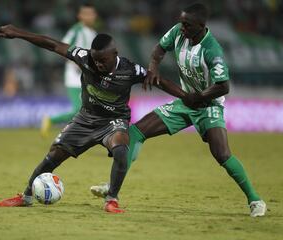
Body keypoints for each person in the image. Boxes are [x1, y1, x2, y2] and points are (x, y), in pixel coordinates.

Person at [90, 3, 267, 217]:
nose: (181, 27)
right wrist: (153, 69)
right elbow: (157, 51)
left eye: (187, 24)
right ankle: (113, 186)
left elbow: (223, 86)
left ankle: (255, 200)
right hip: (185, 102)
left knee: (221, 154)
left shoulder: (212, 50)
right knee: (136, 132)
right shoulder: (177, 32)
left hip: (208, 105)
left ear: (201, 26)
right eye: (181, 22)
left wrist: (199, 97)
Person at [0, 24, 149, 213]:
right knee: (54, 155)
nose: (98, 64)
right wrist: (19, 32)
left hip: (113, 121)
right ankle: (26, 196)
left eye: (103, 60)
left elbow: (159, 80)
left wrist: (187, 96)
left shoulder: (130, 69)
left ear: (114, 54)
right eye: (96, 59)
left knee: (121, 150)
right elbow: (52, 45)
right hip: (85, 119)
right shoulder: (84, 57)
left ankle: (111, 200)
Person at [40, 3, 97, 137]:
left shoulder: (93, 33)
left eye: (92, 13)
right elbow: (61, 48)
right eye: (87, 13)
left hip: (88, 77)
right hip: (75, 77)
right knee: (79, 109)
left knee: (91, 108)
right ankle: (52, 120)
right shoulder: (76, 30)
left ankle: (83, 134)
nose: (91, 16)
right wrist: (77, 64)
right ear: (80, 16)